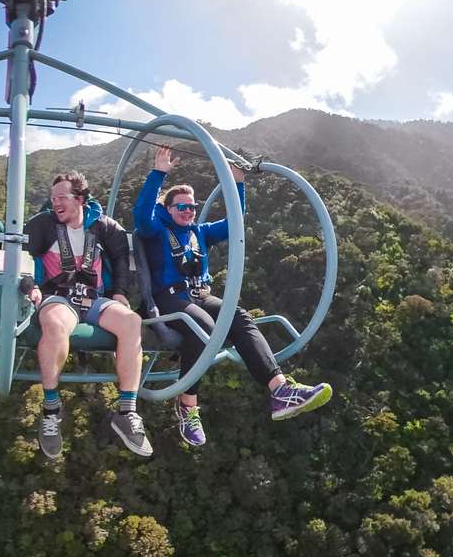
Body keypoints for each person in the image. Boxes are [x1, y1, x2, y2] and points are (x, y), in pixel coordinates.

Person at [134, 144, 331, 446]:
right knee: (207, 330)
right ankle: (188, 406)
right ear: (167, 209)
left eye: (192, 207)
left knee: (239, 318)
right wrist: (158, 173)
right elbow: (142, 215)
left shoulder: (199, 232)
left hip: (198, 296)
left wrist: (238, 183)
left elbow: (234, 224)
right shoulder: (156, 229)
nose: (188, 212)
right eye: (181, 207)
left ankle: (280, 390)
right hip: (169, 299)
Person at [22, 170, 152, 460]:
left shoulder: (104, 227)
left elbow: (120, 257)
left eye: (62, 198)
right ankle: (52, 407)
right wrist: (31, 287)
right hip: (59, 297)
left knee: (131, 322)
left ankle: (127, 411)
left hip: (94, 298)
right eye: (53, 198)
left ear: (80, 199)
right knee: (55, 325)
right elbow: (20, 255)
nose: (56, 203)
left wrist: (119, 291)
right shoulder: (43, 225)